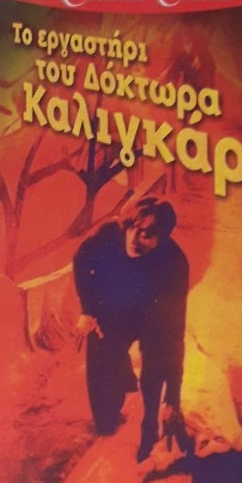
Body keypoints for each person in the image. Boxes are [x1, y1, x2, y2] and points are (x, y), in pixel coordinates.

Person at [74, 197, 189, 461]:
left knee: (156, 359)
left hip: (150, 314)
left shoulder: (174, 264)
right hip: (111, 309)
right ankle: (120, 375)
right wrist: (87, 310)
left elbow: (174, 334)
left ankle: (148, 428)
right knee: (104, 418)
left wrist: (172, 399)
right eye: (133, 229)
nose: (135, 239)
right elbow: (81, 259)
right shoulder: (108, 234)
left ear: (161, 239)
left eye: (147, 235)